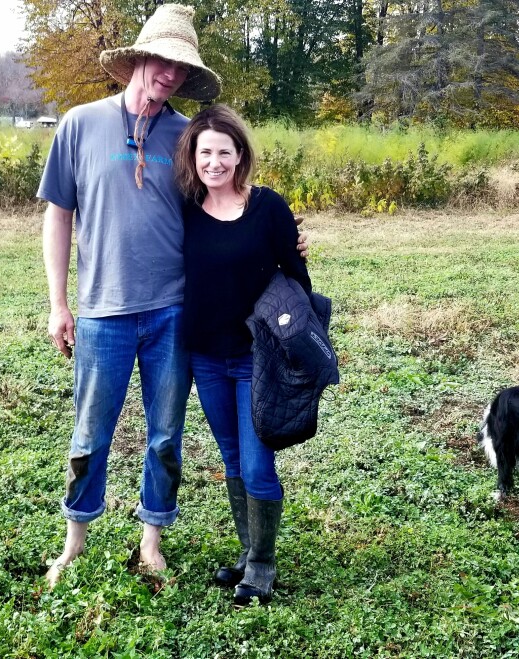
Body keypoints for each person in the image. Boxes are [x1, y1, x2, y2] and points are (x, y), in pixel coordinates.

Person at [37, 4, 306, 589]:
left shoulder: (186, 136)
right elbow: (59, 217)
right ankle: (74, 541)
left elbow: (221, 204)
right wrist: (59, 304)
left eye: (181, 68)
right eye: (162, 60)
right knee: (90, 431)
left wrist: (278, 233)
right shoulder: (79, 125)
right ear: (137, 59)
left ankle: (152, 538)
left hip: (173, 314)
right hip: (102, 311)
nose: (169, 74)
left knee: (165, 432)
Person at [174, 105, 312, 605]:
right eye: (204, 151)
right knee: (232, 458)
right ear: (193, 156)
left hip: (258, 358)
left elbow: (297, 276)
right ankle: (247, 551)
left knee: (257, 466)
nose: (213, 161)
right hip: (207, 358)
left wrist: (294, 339)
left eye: (223, 152)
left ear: (239, 156)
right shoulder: (185, 208)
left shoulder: (268, 207)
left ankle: (262, 566)